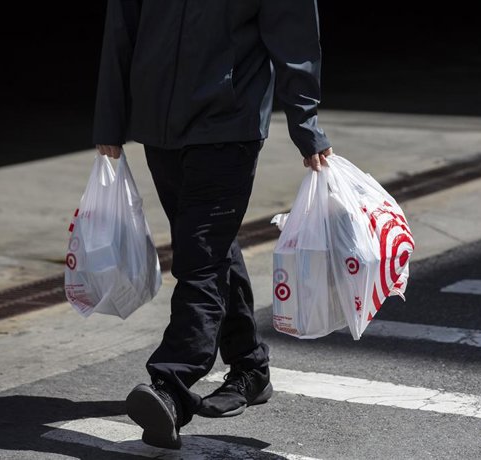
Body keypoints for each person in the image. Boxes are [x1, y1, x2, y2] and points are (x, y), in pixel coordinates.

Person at [92, 0, 332, 450]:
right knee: (210, 247)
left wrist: (306, 124)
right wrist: (111, 117)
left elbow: (294, 36)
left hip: (228, 126)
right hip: (159, 126)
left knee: (198, 257)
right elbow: (120, 27)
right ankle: (250, 367)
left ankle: (171, 386)